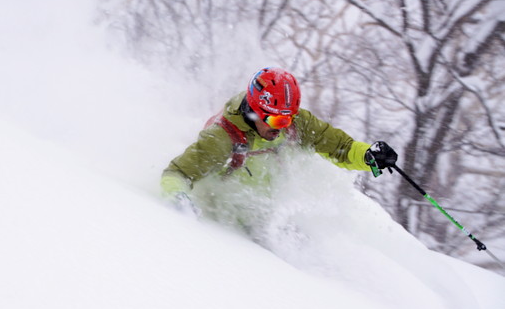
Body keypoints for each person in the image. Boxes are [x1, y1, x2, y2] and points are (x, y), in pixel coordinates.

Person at [160, 67, 398, 221]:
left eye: (288, 118)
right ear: (254, 111)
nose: (282, 126)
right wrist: (179, 202)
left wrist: (368, 156)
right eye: (277, 119)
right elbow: (177, 173)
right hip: (226, 212)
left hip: (268, 210)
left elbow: (337, 146)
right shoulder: (222, 138)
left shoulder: (296, 122)